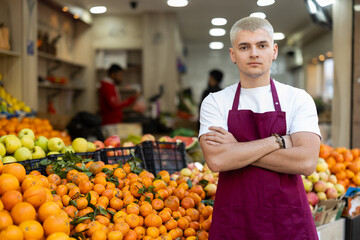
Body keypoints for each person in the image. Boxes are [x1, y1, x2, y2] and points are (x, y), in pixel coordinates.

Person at [199, 17, 321, 239]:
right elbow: (217, 161)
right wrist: (279, 141)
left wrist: (237, 149)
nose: (254, 53)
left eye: (261, 45)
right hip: (234, 220)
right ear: (233, 55)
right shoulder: (215, 102)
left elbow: (306, 162)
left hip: (288, 220)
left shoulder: (297, 98)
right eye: (244, 47)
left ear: (274, 51)